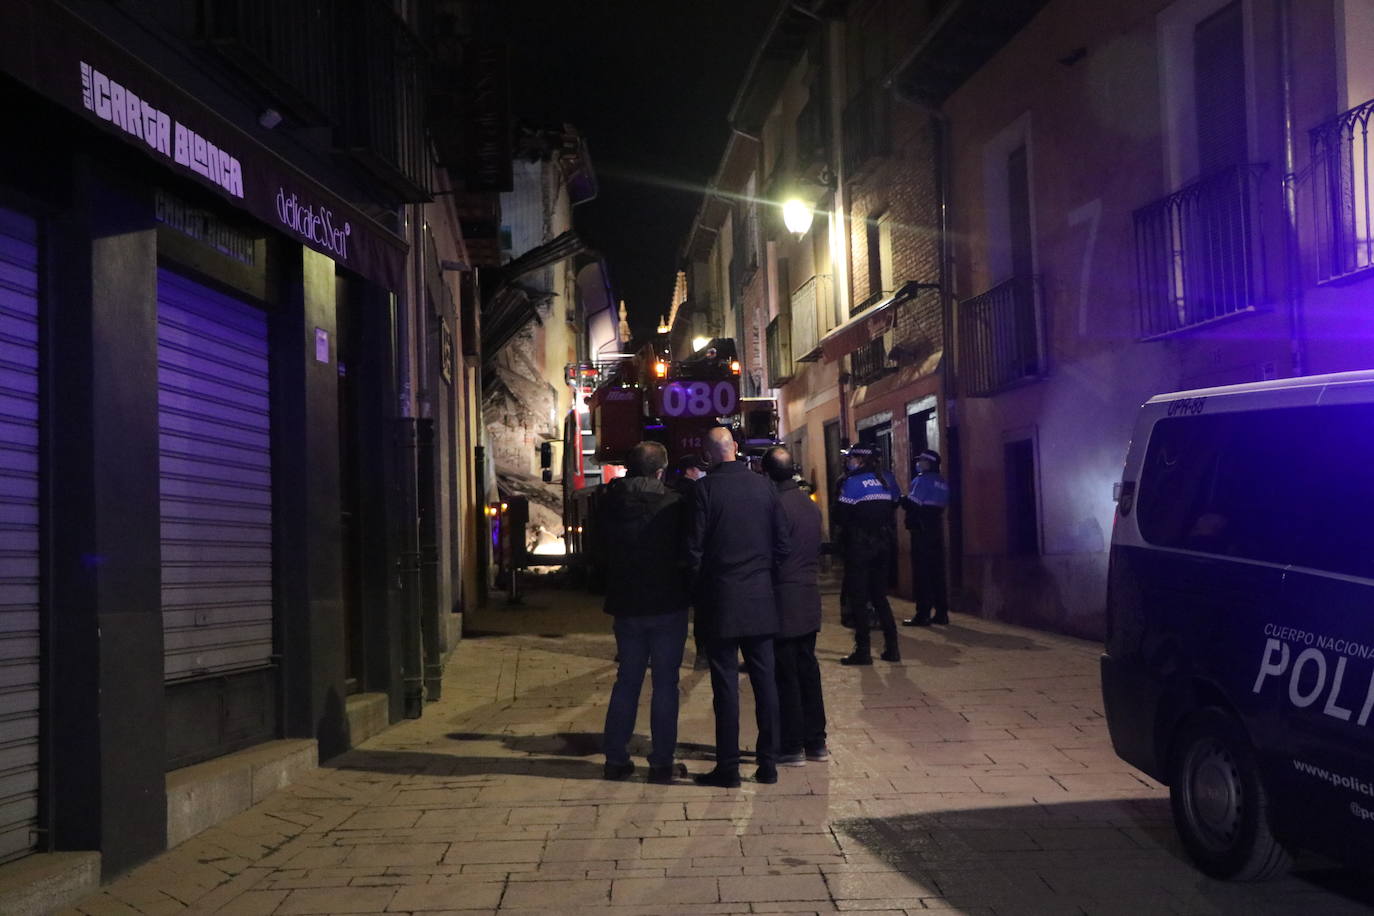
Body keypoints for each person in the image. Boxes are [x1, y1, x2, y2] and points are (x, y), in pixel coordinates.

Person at [686, 426, 790, 787]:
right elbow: (783, 544)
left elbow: (694, 550)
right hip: (761, 599)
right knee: (765, 682)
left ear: (709, 454)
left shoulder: (705, 490)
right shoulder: (765, 486)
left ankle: (728, 767)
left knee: (725, 685)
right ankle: (768, 764)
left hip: (721, 601)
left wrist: (700, 590)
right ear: (734, 448)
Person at [598, 441, 690, 784]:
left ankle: (615, 759)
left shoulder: (610, 502)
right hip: (668, 604)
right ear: (660, 471)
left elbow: (599, 550)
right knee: (666, 683)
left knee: (627, 681)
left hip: (627, 605)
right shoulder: (674, 502)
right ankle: (662, 763)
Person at [762, 446, 829, 766]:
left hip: (783, 599)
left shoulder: (774, 505)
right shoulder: (809, 504)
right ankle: (817, 742)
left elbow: (776, 552)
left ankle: (791, 746)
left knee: (785, 673)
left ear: (767, 474)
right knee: (808, 669)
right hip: (808, 596)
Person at [833, 444, 901, 665]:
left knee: (859, 599)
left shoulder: (852, 483)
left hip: (860, 547)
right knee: (880, 597)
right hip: (883, 546)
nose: (848, 461)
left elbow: (840, 516)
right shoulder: (885, 481)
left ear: (859, 460)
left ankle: (863, 651)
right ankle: (892, 648)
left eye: (851, 457)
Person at [668, 452, 712, 670]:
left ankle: (671, 650)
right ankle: (702, 655)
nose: (703, 472)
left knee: (676, 609)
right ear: (691, 471)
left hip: (674, 560)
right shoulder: (698, 491)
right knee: (701, 611)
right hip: (695, 558)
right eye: (700, 468)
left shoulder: (670, 492)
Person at [902, 448, 950, 626]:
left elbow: (913, 504)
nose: (918, 463)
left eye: (921, 460)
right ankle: (941, 613)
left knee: (922, 574)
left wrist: (900, 499)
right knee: (937, 572)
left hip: (921, 531)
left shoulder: (921, 480)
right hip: (936, 529)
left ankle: (922, 615)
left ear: (928, 463)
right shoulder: (942, 481)